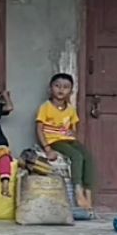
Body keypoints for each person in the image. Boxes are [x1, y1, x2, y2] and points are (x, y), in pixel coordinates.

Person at [36, 72, 96, 209]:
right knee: (76, 156)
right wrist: (47, 148)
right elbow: (39, 128)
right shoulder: (46, 107)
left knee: (88, 157)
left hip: (68, 140)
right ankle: (78, 190)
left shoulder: (70, 109)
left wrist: (73, 133)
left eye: (65, 87)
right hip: (54, 141)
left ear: (71, 91)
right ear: (50, 88)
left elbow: (73, 128)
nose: (61, 90)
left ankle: (88, 194)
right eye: (57, 86)